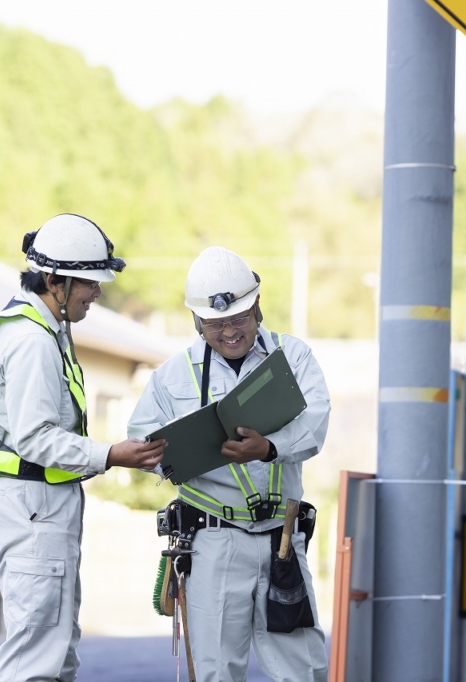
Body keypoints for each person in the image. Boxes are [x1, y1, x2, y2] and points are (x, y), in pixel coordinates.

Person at [0, 213, 166, 682]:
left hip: (34, 508)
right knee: (36, 660)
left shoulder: (41, 327)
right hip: (31, 509)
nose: (97, 292)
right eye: (89, 283)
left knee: (56, 655)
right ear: (55, 280)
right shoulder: (33, 340)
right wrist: (110, 455)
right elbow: (34, 437)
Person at [128, 246, 331, 682]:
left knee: (301, 669)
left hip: (281, 538)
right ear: (198, 321)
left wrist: (270, 447)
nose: (230, 332)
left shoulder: (292, 358)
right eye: (217, 324)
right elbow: (140, 441)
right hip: (213, 541)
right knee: (216, 671)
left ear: (258, 305)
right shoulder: (172, 375)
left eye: (239, 318)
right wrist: (163, 458)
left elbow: (316, 424)